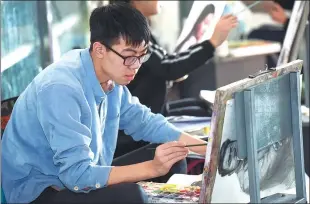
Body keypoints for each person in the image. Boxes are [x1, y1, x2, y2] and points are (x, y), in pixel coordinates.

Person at [1, 3, 208, 204]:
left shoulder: (110, 77)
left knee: (174, 156)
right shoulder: (61, 88)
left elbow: (145, 122)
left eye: (141, 57)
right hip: (39, 191)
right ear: (99, 49)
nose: (135, 66)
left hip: (76, 175)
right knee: (131, 196)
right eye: (128, 57)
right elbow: (77, 176)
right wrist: (152, 169)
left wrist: (208, 149)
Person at [109, 0, 238, 157]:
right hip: (134, 133)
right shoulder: (128, 34)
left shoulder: (134, 30)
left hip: (151, 113)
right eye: (130, 58)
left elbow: (164, 67)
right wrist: (211, 43)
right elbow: (167, 67)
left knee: (202, 108)